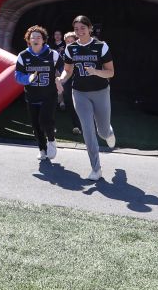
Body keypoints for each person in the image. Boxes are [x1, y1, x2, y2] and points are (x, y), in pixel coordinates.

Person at [56, 15, 115, 181]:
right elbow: (67, 70)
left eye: (83, 28)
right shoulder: (71, 48)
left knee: (102, 132)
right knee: (88, 131)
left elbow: (110, 72)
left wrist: (96, 71)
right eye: (76, 29)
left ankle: (108, 132)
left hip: (101, 91)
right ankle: (96, 169)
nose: (80, 31)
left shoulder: (100, 46)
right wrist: (61, 79)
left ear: (90, 28)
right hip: (79, 93)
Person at [14, 25, 61, 161]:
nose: (35, 39)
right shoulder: (23, 56)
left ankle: (51, 140)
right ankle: (42, 148)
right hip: (32, 95)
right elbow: (17, 75)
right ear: (28, 40)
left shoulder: (53, 54)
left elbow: (64, 68)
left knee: (45, 120)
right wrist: (27, 78)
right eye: (33, 37)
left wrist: (60, 78)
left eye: (38, 37)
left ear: (43, 40)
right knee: (35, 125)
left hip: (49, 94)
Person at [59, 30, 81, 136]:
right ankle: (76, 126)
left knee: (81, 104)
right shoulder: (63, 53)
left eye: (71, 41)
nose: (69, 43)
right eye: (67, 41)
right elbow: (60, 66)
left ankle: (85, 124)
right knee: (70, 103)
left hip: (80, 81)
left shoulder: (81, 51)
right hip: (67, 81)